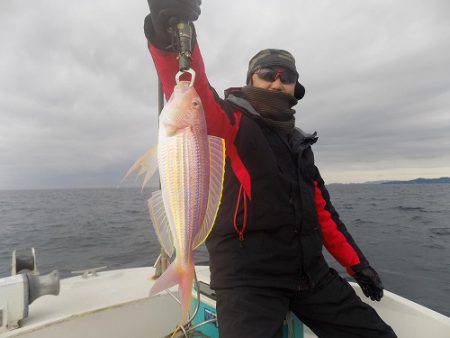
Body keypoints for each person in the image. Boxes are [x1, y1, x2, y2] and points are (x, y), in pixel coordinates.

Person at [144, 1, 397, 337]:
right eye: (267, 74)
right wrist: (168, 39)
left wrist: (358, 265)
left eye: (287, 77)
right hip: (248, 280)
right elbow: (197, 92)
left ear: (295, 88)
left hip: (310, 275)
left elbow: (323, 215)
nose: (277, 83)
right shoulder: (231, 123)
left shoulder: (300, 147)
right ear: (251, 80)